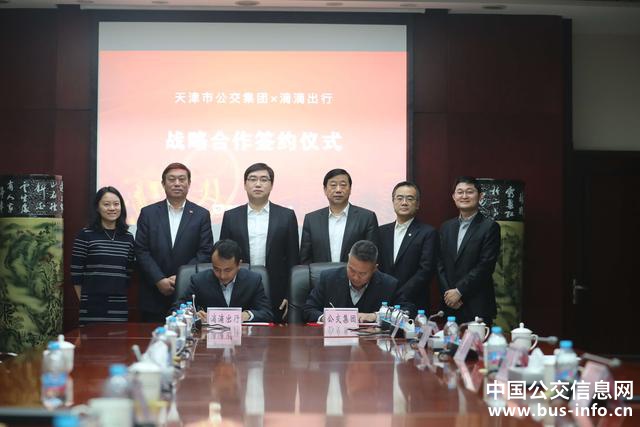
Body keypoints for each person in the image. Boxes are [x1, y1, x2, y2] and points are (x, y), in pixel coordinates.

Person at [219, 163, 299, 323]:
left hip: (277, 291)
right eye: (252, 179)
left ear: (271, 185)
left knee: (274, 335)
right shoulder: (231, 216)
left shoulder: (287, 216)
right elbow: (224, 257)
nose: (258, 184)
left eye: (264, 179)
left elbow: (293, 259)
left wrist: (289, 294)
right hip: (239, 288)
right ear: (245, 184)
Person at [135, 163, 214, 322]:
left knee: (189, 336)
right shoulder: (148, 213)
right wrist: (159, 279)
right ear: (163, 184)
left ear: (189, 183)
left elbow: (205, 252)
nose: (177, 183)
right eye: (171, 179)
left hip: (188, 293)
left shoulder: (201, 214)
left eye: (181, 179)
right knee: (152, 336)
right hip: (153, 292)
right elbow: (141, 250)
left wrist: (181, 277)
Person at [437, 176, 500, 323]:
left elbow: (485, 266)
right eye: (460, 192)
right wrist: (449, 295)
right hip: (449, 305)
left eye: (470, 192)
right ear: (454, 197)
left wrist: (459, 291)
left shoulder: (489, 227)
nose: (464, 196)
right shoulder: (446, 227)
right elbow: (439, 264)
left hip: (477, 305)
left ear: (480, 196)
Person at [303, 240, 413, 323]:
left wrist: (376, 316)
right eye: (351, 270)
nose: (355, 277)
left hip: (372, 343)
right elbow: (308, 309)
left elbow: (408, 311)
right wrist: (327, 318)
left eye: (362, 274)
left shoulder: (389, 285)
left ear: (374, 269)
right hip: (334, 342)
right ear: (348, 259)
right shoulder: (328, 279)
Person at [71, 186, 135, 323]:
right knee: (91, 337)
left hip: (119, 304)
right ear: (97, 207)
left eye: (116, 204)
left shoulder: (128, 237)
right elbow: (76, 273)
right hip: (91, 304)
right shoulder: (85, 234)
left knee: (118, 337)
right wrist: (84, 301)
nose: (112, 208)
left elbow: (128, 272)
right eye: (106, 204)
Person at [173, 239, 273, 322]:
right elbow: (175, 310)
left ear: (239, 265)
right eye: (216, 269)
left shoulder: (253, 281)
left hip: (244, 337)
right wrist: (193, 315)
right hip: (207, 337)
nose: (222, 276)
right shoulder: (198, 281)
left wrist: (248, 315)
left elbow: (267, 313)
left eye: (227, 270)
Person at [378, 181, 438, 311]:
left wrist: (399, 295)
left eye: (410, 199)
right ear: (393, 201)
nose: (404, 202)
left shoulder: (428, 232)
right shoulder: (381, 232)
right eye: (399, 198)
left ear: (418, 204)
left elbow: (426, 270)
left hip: (414, 302)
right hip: (384, 301)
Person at [300, 169, 379, 264]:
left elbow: (372, 257)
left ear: (350, 189)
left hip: (354, 273)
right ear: (325, 190)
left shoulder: (367, 218)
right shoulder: (311, 220)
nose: (338, 190)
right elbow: (305, 259)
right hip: (320, 273)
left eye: (343, 185)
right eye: (333, 185)